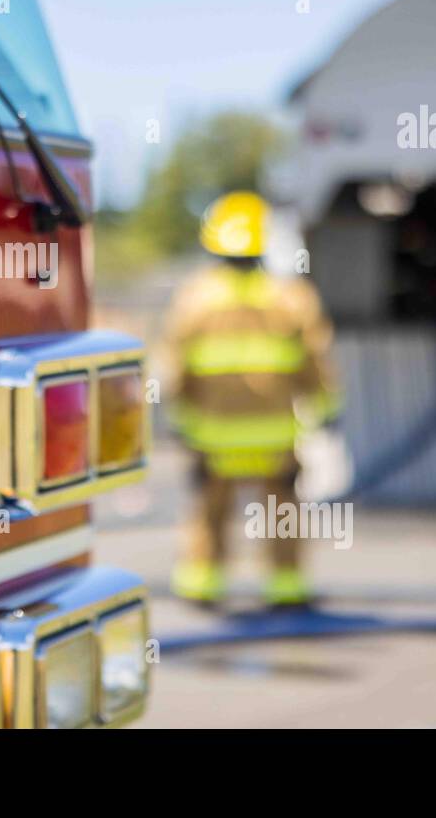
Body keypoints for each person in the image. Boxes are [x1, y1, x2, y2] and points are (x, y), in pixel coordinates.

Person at [165, 191, 339, 606]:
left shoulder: (194, 298)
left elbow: (175, 370)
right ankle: (285, 586)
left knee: (211, 509)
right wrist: (329, 412)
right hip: (274, 438)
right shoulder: (292, 298)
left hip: (213, 437)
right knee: (281, 511)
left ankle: (203, 584)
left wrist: (178, 420)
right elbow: (315, 364)